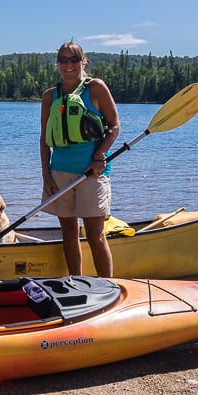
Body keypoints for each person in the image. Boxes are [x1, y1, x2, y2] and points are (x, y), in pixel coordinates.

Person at [40, 40, 120, 277]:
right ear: (57, 64)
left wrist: (99, 155)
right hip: (60, 171)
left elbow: (115, 127)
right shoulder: (50, 96)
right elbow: (44, 140)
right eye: (63, 60)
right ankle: (76, 281)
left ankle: (107, 286)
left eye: (73, 59)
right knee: (68, 233)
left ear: (82, 62)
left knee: (96, 234)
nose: (68, 65)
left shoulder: (95, 88)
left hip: (92, 173)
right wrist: (46, 177)